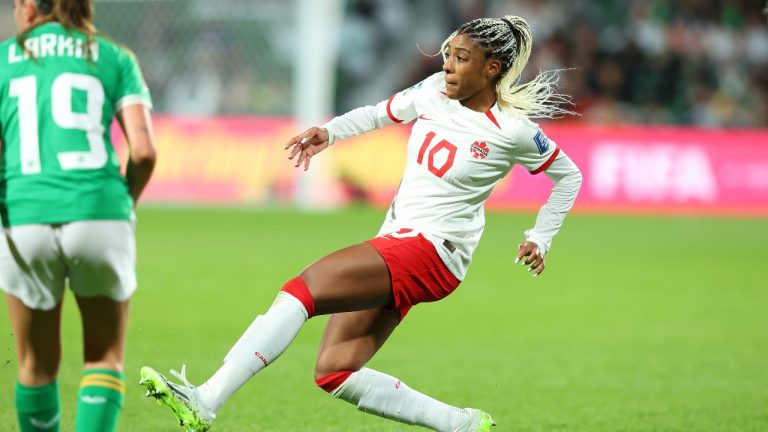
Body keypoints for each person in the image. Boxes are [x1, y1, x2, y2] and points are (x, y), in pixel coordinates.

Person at [140, 15, 581, 432]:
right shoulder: (433, 91)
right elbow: (378, 113)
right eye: (448, 54)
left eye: (461, 58)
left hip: (433, 251)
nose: (447, 65)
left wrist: (539, 237)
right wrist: (328, 133)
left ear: (492, 68)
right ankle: (462, 423)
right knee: (335, 370)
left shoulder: (512, 131)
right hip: (400, 241)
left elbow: (569, 176)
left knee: (301, 291)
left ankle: (206, 399)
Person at [0, 0, 156, 431]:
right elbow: (143, 152)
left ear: (29, 8)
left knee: (34, 364)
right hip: (100, 213)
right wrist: (122, 205)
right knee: (103, 359)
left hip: (24, 215)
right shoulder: (114, 56)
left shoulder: (3, 60)